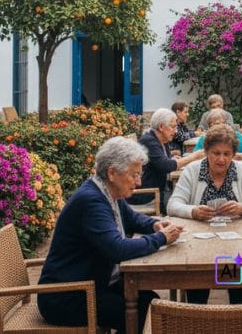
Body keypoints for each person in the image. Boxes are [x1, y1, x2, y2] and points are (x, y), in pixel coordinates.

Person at [37, 137, 184, 333]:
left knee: (150, 301)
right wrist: (161, 238)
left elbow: (133, 219)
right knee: (140, 311)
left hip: (95, 283)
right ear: (112, 172)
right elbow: (117, 249)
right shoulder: (92, 201)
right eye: (134, 175)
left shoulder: (107, 191)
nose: (138, 182)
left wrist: (156, 224)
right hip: (68, 296)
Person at [167, 124, 242, 304]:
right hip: (197, 245)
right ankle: (197, 321)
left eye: (227, 154)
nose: (221, 159)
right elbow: (172, 205)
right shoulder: (193, 170)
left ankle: (237, 321)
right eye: (216, 153)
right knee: (197, 288)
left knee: (239, 286)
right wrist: (194, 211)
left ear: (233, 154)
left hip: (237, 244)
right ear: (206, 151)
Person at [127, 108, 204, 214]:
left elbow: (163, 161)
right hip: (146, 196)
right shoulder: (149, 141)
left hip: (159, 191)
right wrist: (194, 156)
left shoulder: (162, 139)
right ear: (161, 127)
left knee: (185, 199)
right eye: (173, 126)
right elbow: (166, 166)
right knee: (182, 204)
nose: (176, 131)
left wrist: (171, 159)